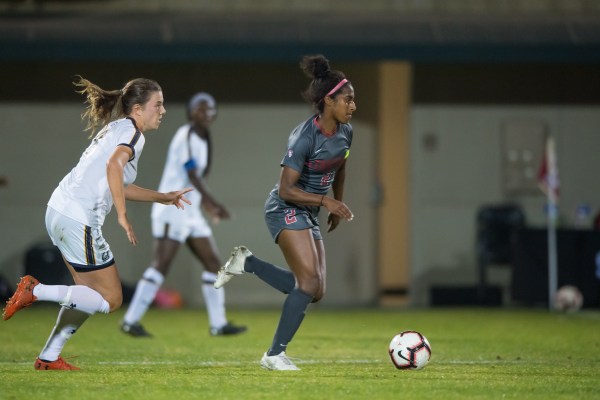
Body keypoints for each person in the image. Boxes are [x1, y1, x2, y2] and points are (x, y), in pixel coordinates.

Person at [2, 76, 192, 370]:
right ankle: (35, 291)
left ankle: (49, 356)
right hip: (78, 217)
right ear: (138, 109)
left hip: (60, 209)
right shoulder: (133, 135)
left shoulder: (116, 128)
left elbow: (116, 180)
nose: (163, 111)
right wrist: (122, 216)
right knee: (111, 299)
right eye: (158, 104)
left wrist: (162, 196)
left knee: (86, 296)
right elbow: (113, 166)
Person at [214, 54, 356, 370]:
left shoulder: (346, 133)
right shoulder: (305, 136)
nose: (352, 106)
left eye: (353, 100)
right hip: (285, 207)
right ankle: (274, 355)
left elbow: (340, 167)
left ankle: (247, 262)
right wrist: (326, 202)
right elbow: (285, 189)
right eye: (347, 100)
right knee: (306, 284)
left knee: (316, 291)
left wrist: (337, 202)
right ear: (328, 101)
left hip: (310, 211)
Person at [120, 92, 246, 337]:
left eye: (210, 108)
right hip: (172, 209)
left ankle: (218, 324)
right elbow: (192, 174)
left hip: (191, 212)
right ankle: (130, 320)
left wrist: (205, 206)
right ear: (190, 113)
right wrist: (213, 203)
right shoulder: (186, 135)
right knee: (160, 266)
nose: (206, 112)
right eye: (200, 108)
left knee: (213, 264)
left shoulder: (204, 137)